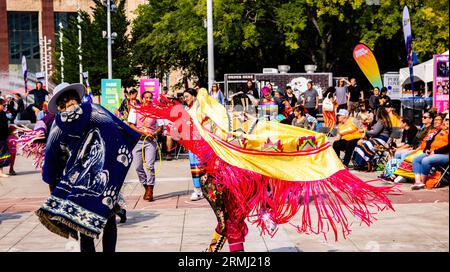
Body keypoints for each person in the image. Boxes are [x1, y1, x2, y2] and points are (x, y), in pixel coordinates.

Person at [36, 82, 140, 252]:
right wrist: (115, 164)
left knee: (83, 226)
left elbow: (52, 159)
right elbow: (122, 132)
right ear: (76, 97)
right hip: (105, 178)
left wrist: (53, 186)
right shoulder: (95, 110)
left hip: (78, 182)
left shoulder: (57, 126)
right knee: (109, 219)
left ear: (59, 104)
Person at [128, 91, 164, 202]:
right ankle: (145, 186)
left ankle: (150, 190)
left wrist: (155, 133)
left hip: (151, 141)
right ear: (142, 98)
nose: (148, 99)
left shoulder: (155, 110)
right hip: (138, 140)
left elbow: (160, 126)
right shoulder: (135, 109)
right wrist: (141, 132)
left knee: (149, 165)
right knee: (138, 166)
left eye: (150, 98)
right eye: (146, 97)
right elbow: (130, 125)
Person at [411, 114, 449, 190]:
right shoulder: (439, 130)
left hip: (446, 154)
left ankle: (423, 182)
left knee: (426, 160)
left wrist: (435, 151)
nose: (447, 121)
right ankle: (418, 182)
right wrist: (427, 149)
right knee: (416, 159)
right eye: (446, 119)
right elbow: (429, 140)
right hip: (433, 152)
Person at [353, 107, 392, 172]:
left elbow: (375, 132)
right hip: (380, 139)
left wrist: (365, 131)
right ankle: (361, 163)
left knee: (363, 144)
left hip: (380, 140)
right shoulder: (385, 121)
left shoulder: (381, 121)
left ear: (378, 114)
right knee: (360, 144)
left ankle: (362, 163)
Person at [183, 88, 205, 201]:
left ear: (193, 96)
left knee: (203, 165)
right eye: (184, 97)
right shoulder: (187, 108)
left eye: (187, 96)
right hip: (191, 141)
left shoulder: (200, 108)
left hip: (202, 141)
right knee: (194, 165)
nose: (185, 99)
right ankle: (198, 190)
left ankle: (204, 189)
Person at [0, 99, 11, 178]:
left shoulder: (3, 113)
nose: (4, 107)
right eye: (3, 105)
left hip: (3, 137)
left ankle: (1, 172)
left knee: (2, 154)